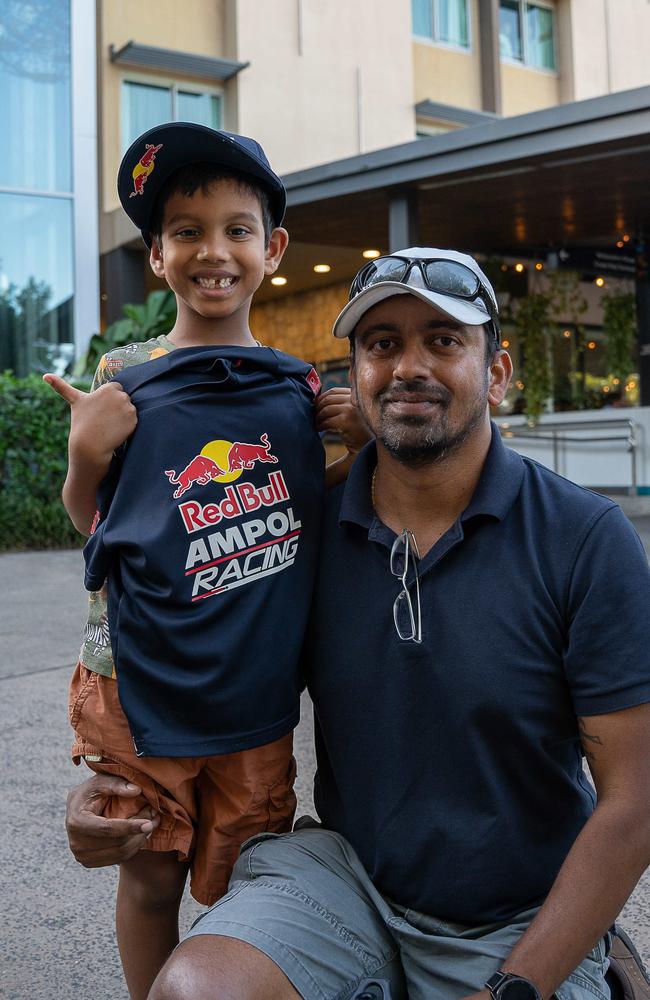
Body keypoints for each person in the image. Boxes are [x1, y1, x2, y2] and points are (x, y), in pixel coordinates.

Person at [66, 248, 650, 1000]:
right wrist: (119, 791)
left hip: (518, 916)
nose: (409, 366)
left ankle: (598, 960)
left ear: (498, 373)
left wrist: (517, 987)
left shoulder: (584, 538)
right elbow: (183, 636)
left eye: (443, 340)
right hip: (346, 881)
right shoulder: (297, 535)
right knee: (197, 989)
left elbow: (634, 801)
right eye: (382, 344)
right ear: (356, 377)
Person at [45, 122, 366, 1000]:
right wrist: (84, 454)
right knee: (147, 874)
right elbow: (95, 525)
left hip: (256, 692)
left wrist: (361, 447)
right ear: (156, 255)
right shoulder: (126, 375)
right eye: (185, 231)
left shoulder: (302, 389)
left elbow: (315, 514)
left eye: (236, 228)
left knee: (239, 883)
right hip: (137, 685)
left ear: (274, 248)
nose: (212, 251)